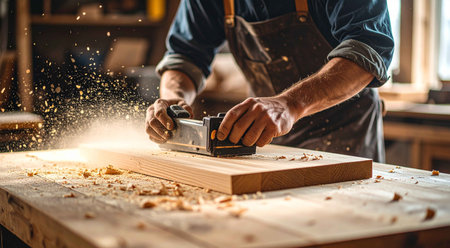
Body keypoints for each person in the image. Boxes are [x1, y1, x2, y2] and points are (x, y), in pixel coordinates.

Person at [145, 0, 394, 162]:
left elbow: (367, 49)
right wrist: (172, 99)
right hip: (267, 138)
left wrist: (290, 104)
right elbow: (185, 56)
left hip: (344, 133)